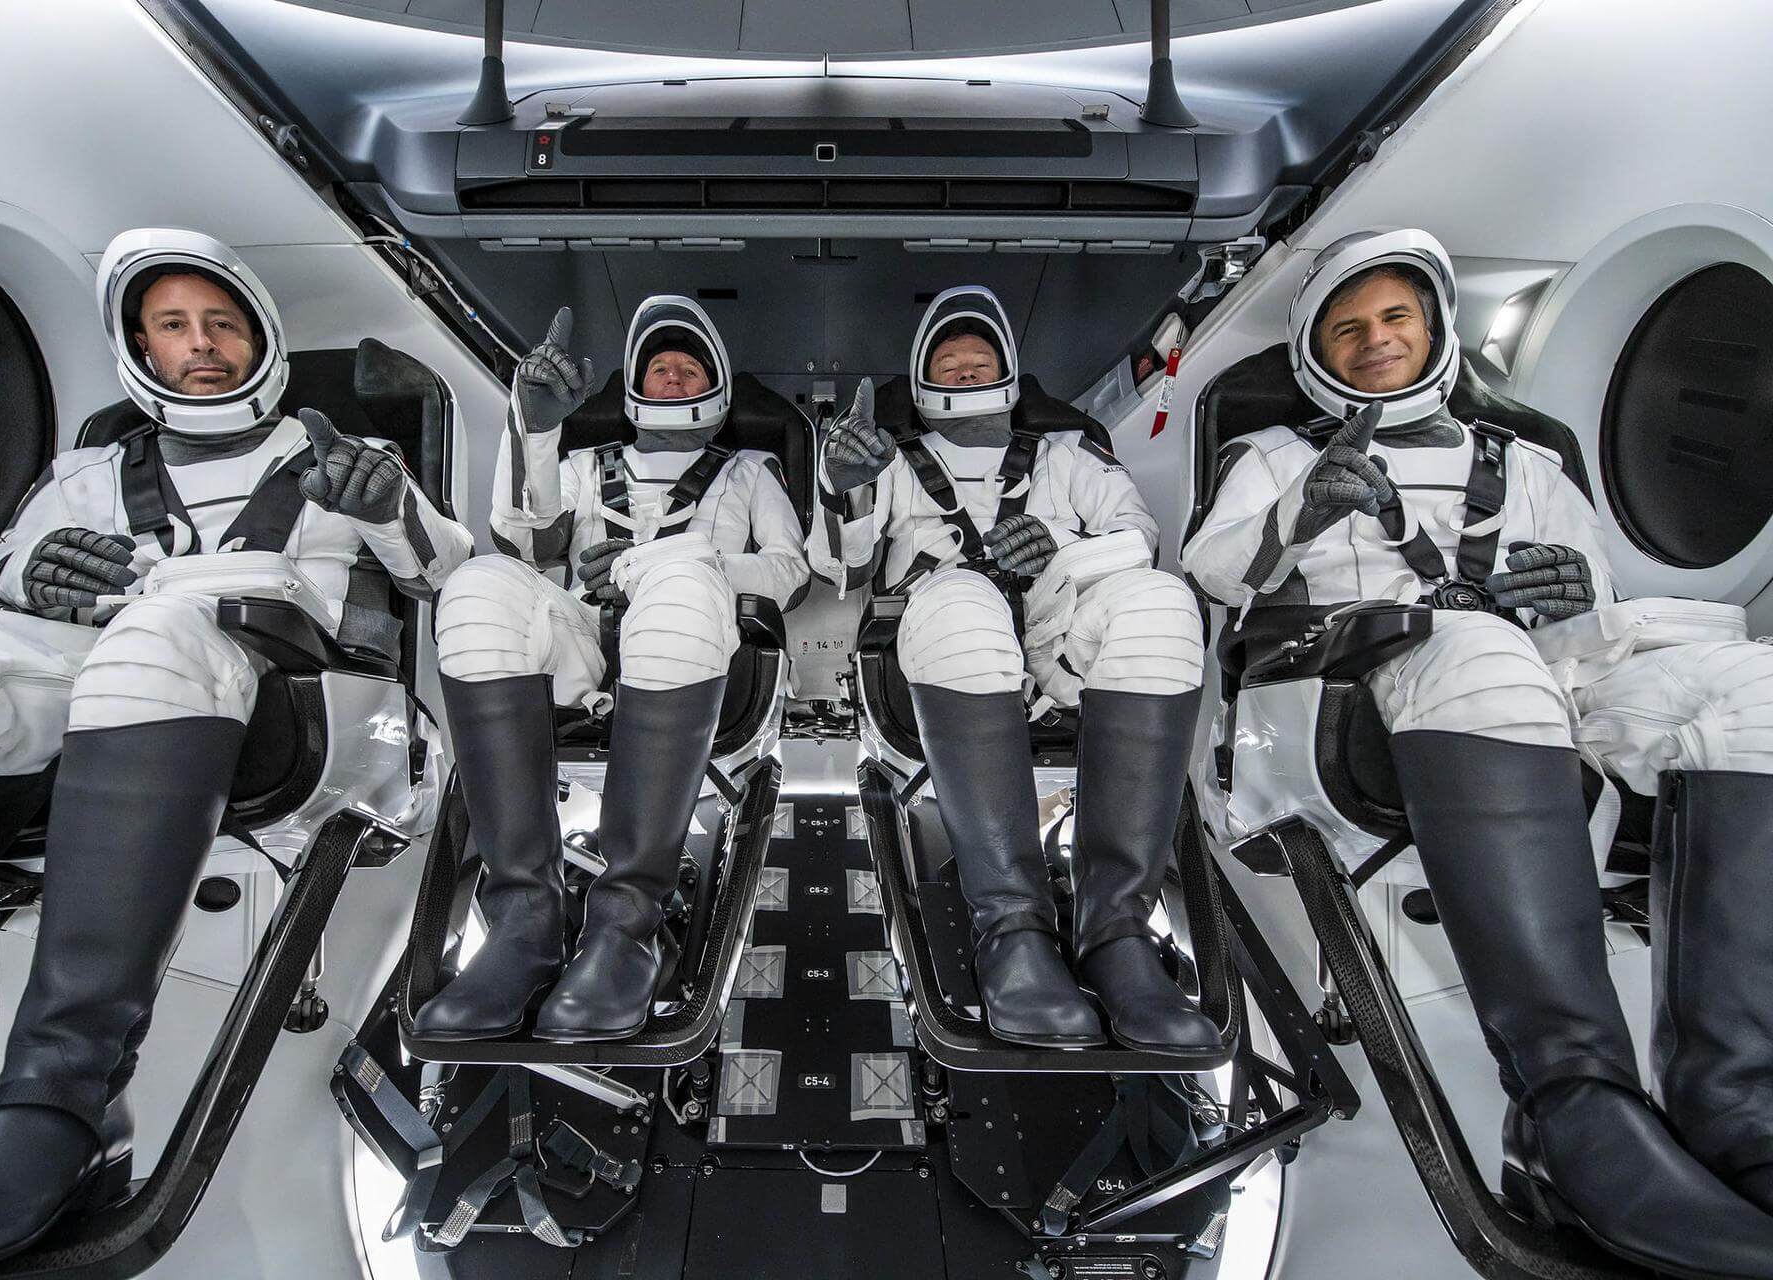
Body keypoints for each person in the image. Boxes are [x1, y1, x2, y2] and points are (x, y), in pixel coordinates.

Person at [0, 228, 472, 1275]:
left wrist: (390, 509)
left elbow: (443, 574)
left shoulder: (344, 462)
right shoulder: (85, 473)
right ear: (141, 346)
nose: (202, 345)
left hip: (305, 704)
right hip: (111, 680)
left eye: (222, 323)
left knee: (157, 631)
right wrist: (23, 576)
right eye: (175, 326)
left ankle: (67, 1100)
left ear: (260, 336)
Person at [1184, 227, 1773, 1278]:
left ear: (1434, 327)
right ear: (1316, 350)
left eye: (1395, 317)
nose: (1376, 339)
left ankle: (1736, 1106)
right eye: (1348, 327)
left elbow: (1587, 608)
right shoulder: (1274, 456)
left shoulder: (1530, 462)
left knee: (1748, 689)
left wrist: (1574, 592)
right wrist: (1301, 511)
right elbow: (1218, 573)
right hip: (1350, 691)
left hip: (1541, 677)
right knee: (1478, 647)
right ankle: (1568, 1110)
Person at [807, 285, 1218, 1055]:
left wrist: (1058, 554)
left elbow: (1138, 535)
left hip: (1061, 641)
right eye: (949, 363)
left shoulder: (1067, 454)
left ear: (1008, 373)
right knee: (962, 594)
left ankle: (1117, 936)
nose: (966, 371)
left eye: (980, 360)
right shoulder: (892, 463)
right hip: (946, 644)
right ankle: (1013, 933)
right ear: (922, 379)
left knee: (1163, 601)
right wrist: (846, 491)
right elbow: (842, 569)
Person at [412, 297, 808, 1044]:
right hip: (588, 644)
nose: (672, 377)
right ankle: (524, 923)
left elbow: (788, 572)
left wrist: (672, 561)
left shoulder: (750, 472)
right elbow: (529, 547)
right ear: (634, 386)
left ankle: (627, 927)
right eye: (659, 367)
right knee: (479, 584)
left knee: (683, 579)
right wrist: (534, 431)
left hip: (699, 644)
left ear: (718, 390)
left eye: (689, 368)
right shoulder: (582, 466)